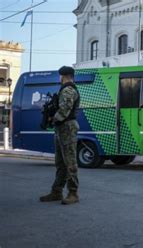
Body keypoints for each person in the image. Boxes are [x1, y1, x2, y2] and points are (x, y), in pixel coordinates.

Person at [40, 66, 81, 205]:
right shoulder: (65, 89)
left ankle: (73, 193)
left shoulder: (68, 90)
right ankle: (57, 191)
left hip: (67, 127)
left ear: (63, 76)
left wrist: (53, 119)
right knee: (60, 162)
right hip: (62, 128)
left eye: (60, 76)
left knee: (70, 162)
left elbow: (65, 109)